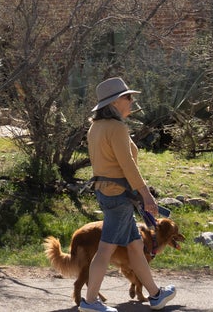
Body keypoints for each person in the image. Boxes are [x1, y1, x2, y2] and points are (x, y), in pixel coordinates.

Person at [79, 77, 178, 312]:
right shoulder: (116, 128)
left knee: (135, 246)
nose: (132, 101)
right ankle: (90, 302)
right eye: (128, 97)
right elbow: (128, 165)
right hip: (118, 196)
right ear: (114, 102)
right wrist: (146, 195)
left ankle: (155, 294)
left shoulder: (96, 127)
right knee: (105, 250)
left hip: (107, 193)